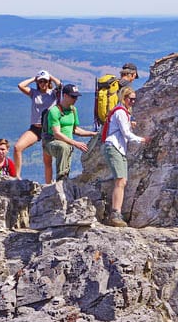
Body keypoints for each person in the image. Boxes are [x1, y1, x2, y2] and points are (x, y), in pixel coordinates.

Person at [102, 86, 151, 227]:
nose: (133, 102)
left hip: (118, 148)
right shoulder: (120, 113)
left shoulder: (123, 113)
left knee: (122, 181)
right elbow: (126, 134)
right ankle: (115, 214)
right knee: (120, 181)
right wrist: (142, 139)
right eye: (130, 99)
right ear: (124, 98)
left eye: (134, 99)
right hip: (115, 147)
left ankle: (117, 213)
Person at [14, 70, 61, 183]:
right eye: (40, 81)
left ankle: (48, 185)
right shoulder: (34, 93)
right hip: (35, 128)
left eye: (44, 81)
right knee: (17, 147)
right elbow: (20, 85)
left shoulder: (53, 93)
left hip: (48, 129)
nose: (42, 83)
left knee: (47, 161)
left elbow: (60, 86)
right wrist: (33, 78)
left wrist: (51, 77)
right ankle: (17, 176)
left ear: (48, 81)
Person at [43, 83, 96, 181]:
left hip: (68, 144)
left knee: (67, 150)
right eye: (73, 97)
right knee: (63, 148)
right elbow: (57, 133)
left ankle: (65, 179)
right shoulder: (54, 111)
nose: (75, 99)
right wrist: (76, 143)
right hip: (51, 142)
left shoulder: (73, 110)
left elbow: (75, 129)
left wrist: (93, 134)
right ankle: (61, 179)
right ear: (65, 95)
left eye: (76, 97)